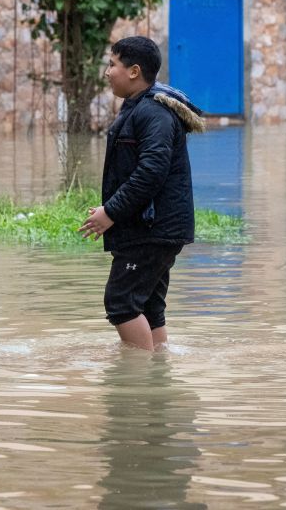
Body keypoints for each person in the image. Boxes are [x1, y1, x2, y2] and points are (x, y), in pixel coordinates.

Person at [79, 36, 204, 350]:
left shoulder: (152, 113)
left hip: (152, 231)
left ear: (134, 71)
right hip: (153, 228)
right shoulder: (140, 108)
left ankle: (136, 388)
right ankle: (157, 383)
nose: (107, 72)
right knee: (148, 306)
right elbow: (139, 173)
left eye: (112, 65)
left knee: (121, 303)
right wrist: (112, 207)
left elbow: (151, 173)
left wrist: (111, 212)